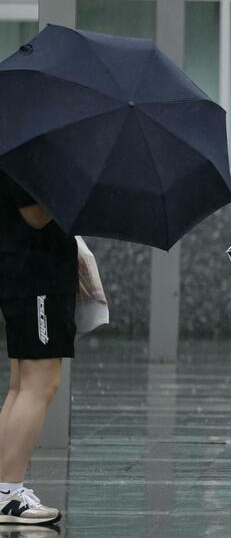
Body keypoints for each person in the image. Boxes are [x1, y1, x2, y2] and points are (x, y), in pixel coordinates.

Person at [0, 171, 72, 525]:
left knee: (22, 386)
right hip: (35, 274)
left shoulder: (22, 133)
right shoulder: (26, 149)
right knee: (40, 383)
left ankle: (4, 487)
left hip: (30, 271)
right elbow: (36, 214)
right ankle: (8, 494)